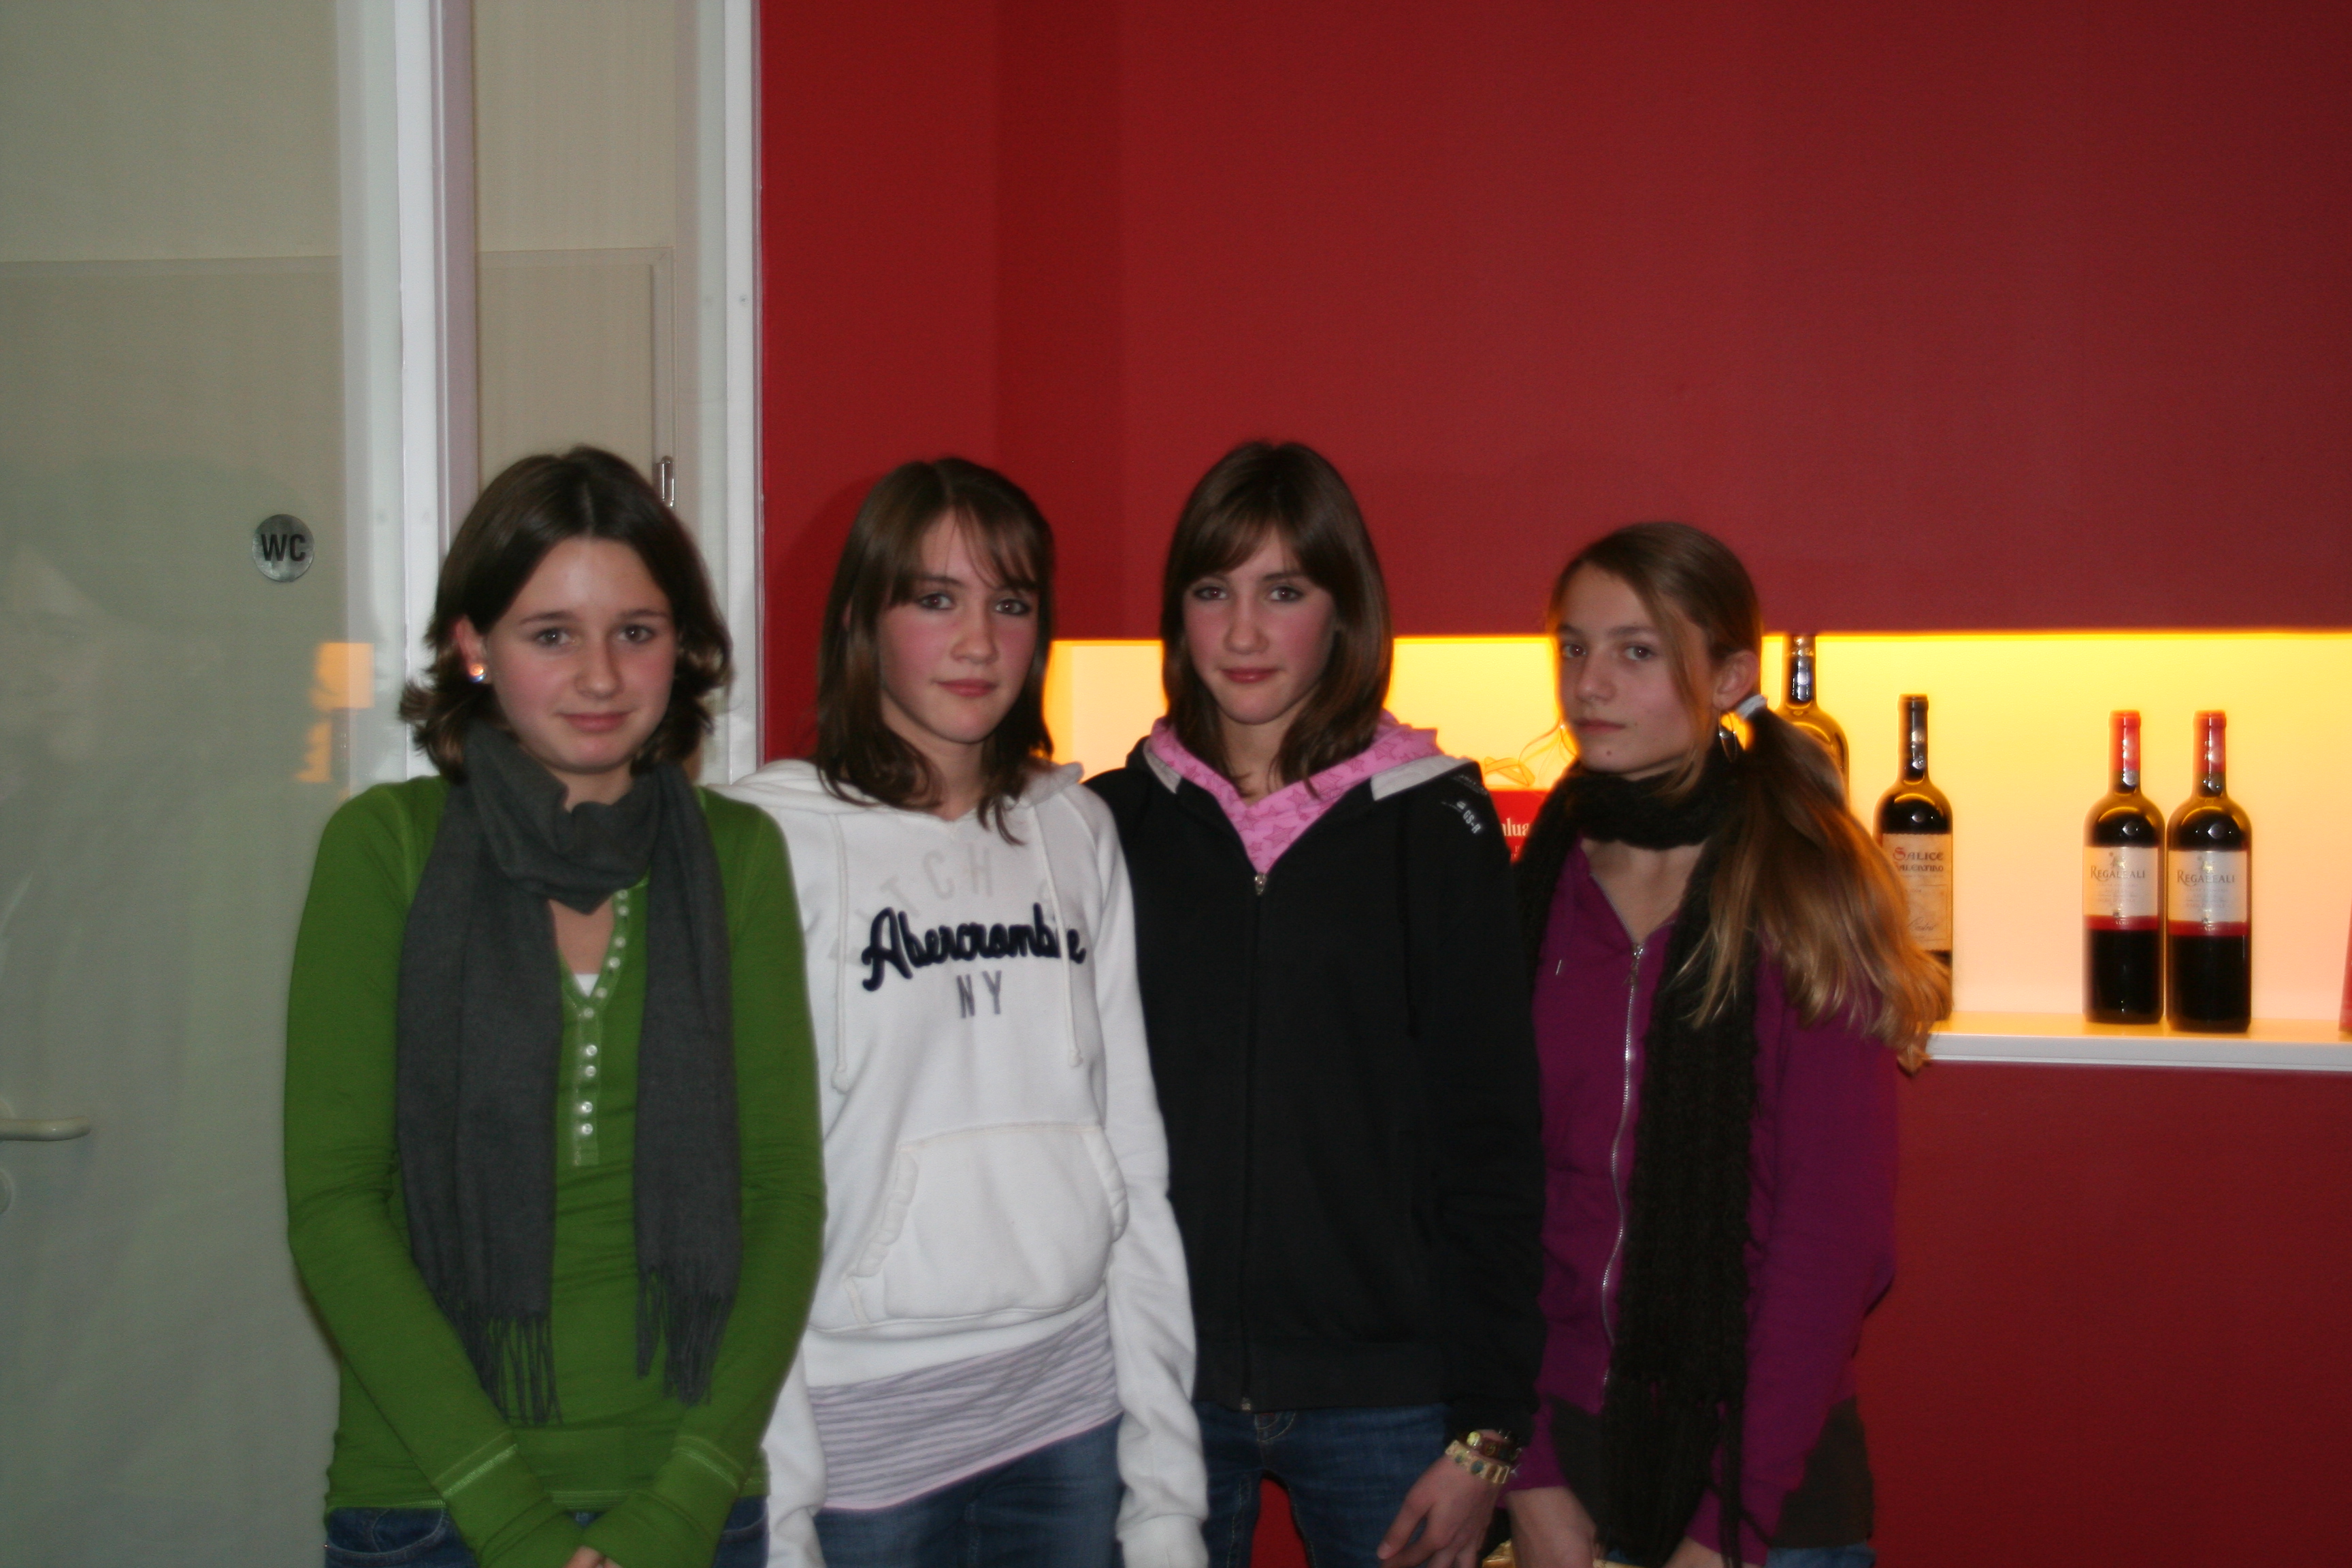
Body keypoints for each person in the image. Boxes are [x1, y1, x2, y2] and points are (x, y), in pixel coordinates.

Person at [284, 447, 825, 1568]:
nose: (601, 676)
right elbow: (336, 1208)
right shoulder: (383, 850)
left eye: (636, 630)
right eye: (551, 634)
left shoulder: (739, 856)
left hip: (689, 1506)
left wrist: (683, 1502)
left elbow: (782, 1192)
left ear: (682, 647)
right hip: (433, 1510)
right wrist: (513, 1521)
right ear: (474, 646)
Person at [725, 458, 1207, 1568]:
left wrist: (1165, 1494)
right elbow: (740, 1198)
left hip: (1070, 1412)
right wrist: (781, 1518)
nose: (980, 643)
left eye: (1011, 603)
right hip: (860, 1433)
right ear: (862, 620)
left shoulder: (1076, 830)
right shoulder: (767, 844)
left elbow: (1133, 1157)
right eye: (936, 600)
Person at [1088, 441, 1545, 1568]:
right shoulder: (1107, 825)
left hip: (1385, 1397)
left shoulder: (1438, 824)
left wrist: (1490, 1431)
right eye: (1214, 592)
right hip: (1153, 1384)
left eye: (1284, 592)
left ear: (1344, 611)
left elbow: (1493, 1140)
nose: (1243, 633)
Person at [1501, 523, 1946, 1568]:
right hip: (1559, 1461)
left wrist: (1725, 1531)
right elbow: (1484, 1196)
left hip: (1767, 1483)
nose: (1589, 684)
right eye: (1574, 648)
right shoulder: (1535, 886)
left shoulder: (1805, 889)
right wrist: (1528, 1473)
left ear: (1732, 676)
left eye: (1637, 651)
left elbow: (1832, 1247)